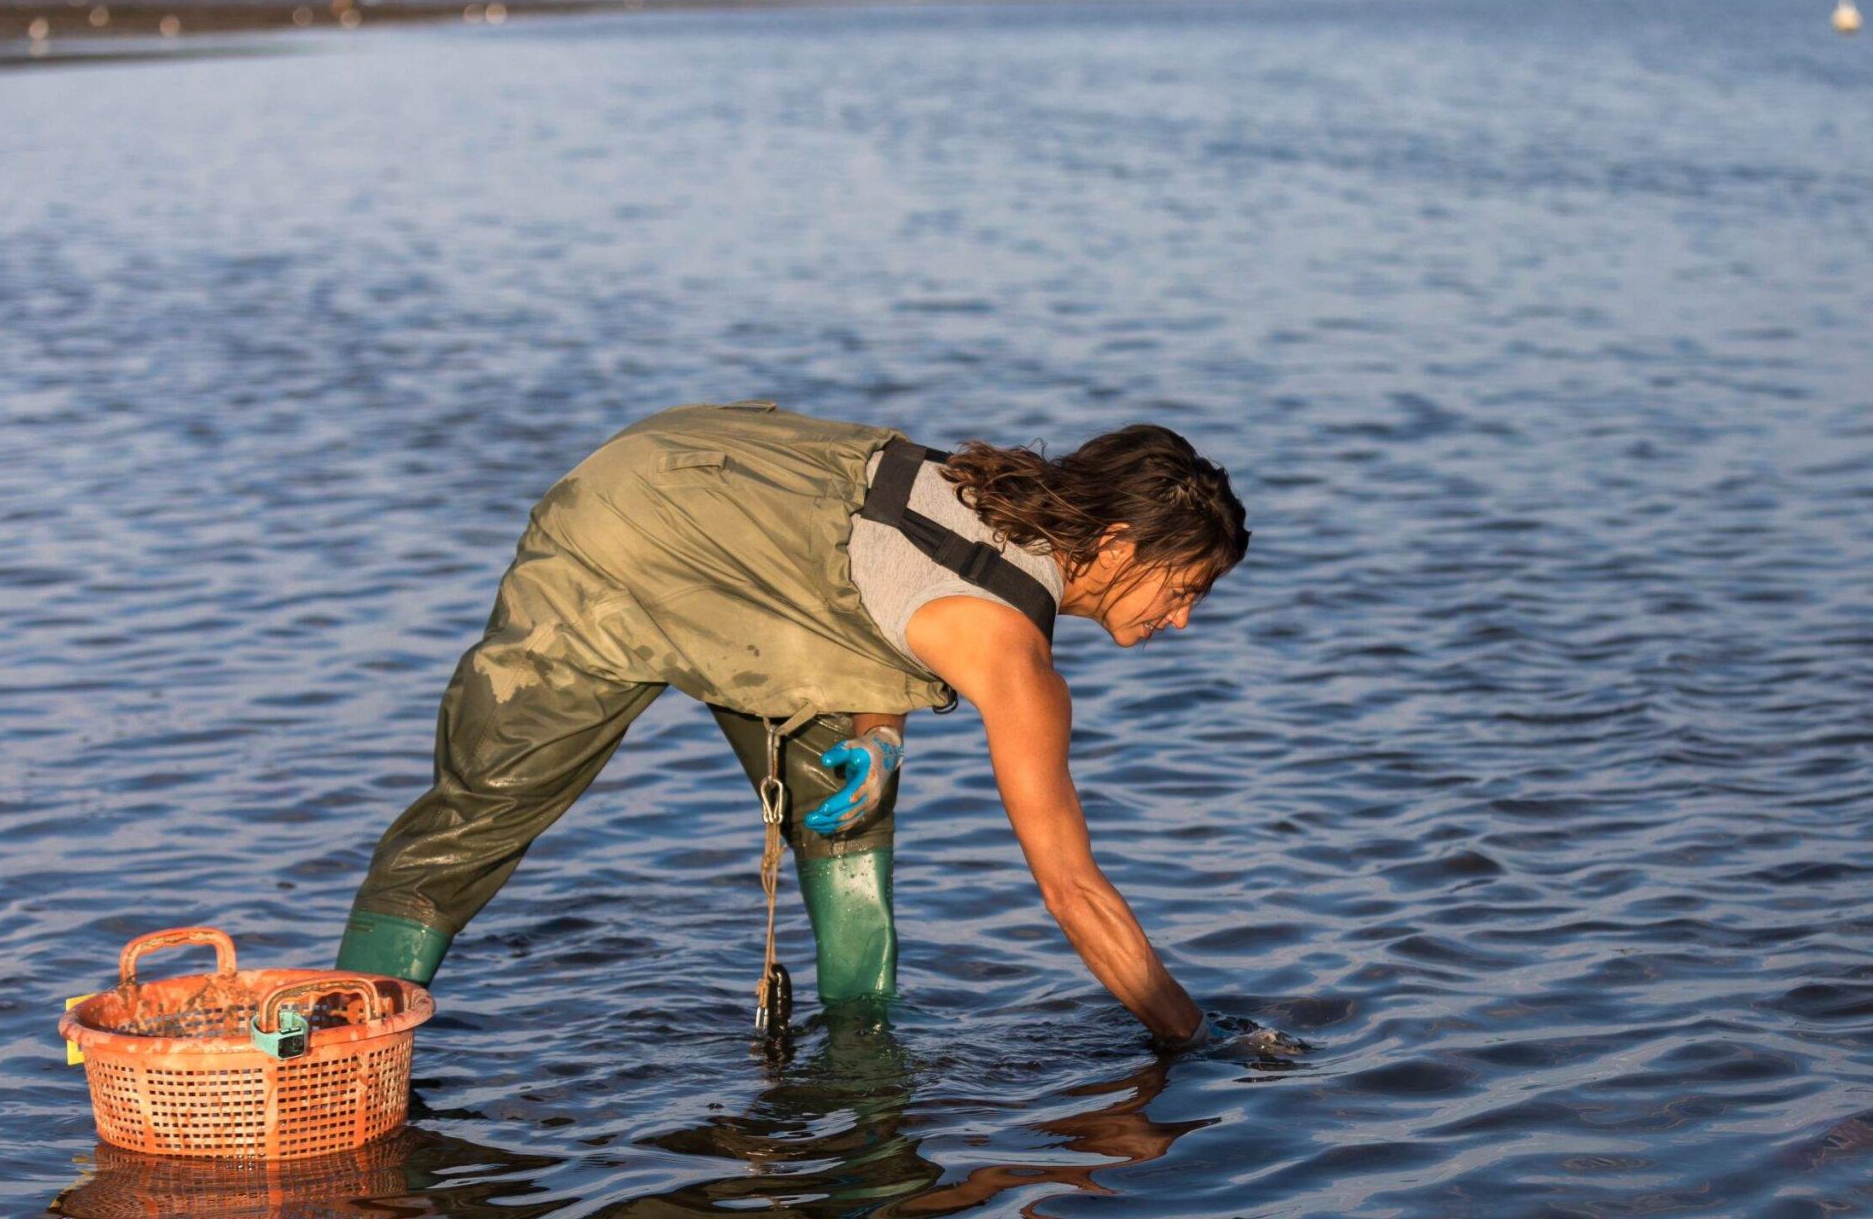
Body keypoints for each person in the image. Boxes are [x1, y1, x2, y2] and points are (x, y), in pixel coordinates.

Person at [333, 400, 1247, 1049]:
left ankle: (859, 1068)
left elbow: (879, 590)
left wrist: (881, 734)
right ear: (1120, 547)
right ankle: (343, 1045)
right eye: (1186, 587)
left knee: (846, 803)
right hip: (620, 530)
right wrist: (1195, 1038)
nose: (1183, 620)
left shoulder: (1001, 508)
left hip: (702, 485)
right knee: (485, 804)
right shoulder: (1016, 657)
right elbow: (1073, 893)